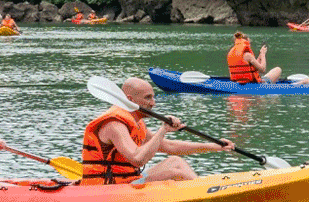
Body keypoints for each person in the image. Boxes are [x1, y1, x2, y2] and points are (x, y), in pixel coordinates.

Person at [80, 77, 235, 185]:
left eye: (153, 97)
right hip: (109, 187)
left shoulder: (136, 122)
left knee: (176, 161)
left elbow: (169, 147)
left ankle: (201, 190)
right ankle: (205, 192)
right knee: (175, 173)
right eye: (148, 98)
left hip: (128, 180)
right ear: (130, 100)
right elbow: (137, 159)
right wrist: (163, 130)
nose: (153, 103)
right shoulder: (114, 124)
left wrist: (215, 146)